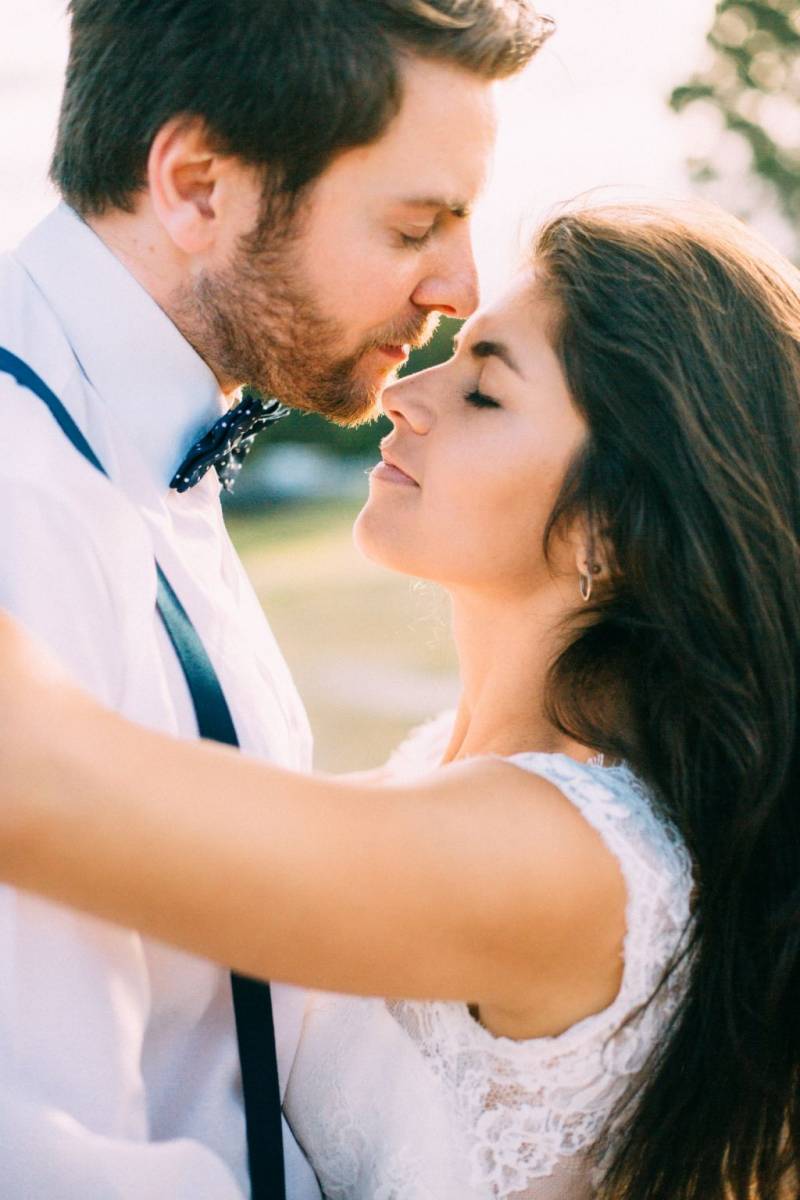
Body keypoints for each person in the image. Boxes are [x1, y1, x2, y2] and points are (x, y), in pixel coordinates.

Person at [2, 200, 799, 1200]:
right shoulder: (440, 765)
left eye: (485, 394)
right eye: (451, 359)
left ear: (611, 529)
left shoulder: (563, 862)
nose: (406, 396)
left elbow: (39, 784)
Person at [0, 2, 551, 1197]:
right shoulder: (19, 501)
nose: (457, 285)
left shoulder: (150, 457)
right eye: (417, 224)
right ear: (198, 185)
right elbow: (37, 1148)